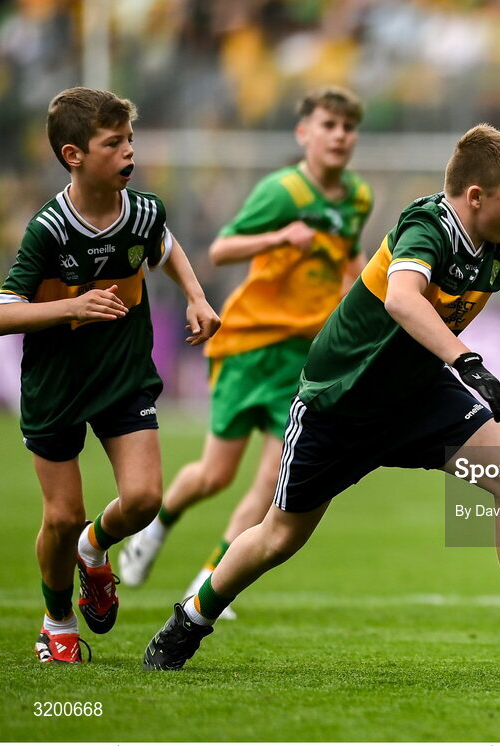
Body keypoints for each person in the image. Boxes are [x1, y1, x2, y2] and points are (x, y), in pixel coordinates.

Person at [142, 123, 500, 674]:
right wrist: (466, 360)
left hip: (420, 393)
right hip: (342, 401)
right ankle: (191, 618)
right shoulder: (427, 224)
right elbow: (403, 300)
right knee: (281, 536)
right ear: (476, 197)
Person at [118, 87, 373, 617]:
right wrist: (280, 236)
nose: (340, 136)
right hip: (250, 346)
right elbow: (222, 247)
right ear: (304, 133)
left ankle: (209, 578)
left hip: (306, 358)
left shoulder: (358, 197)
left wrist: (362, 284)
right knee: (215, 475)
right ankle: (155, 528)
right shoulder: (282, 191)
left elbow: (349, 255)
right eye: (329, 125)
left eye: (348, 127)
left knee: (274, 479)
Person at [0, 87, 220, 664]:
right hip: (56, 386)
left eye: (130, 141)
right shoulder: (49, 231)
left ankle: (96, 550)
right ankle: (56, 621)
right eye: (113, 143)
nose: (128, 153)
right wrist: (73, 306)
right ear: (74, 154)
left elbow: (164, 247)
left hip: (123, 375)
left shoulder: (143, 211)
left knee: (143, 499)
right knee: (61, 516)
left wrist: (194, 296)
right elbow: (2, 314)